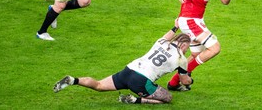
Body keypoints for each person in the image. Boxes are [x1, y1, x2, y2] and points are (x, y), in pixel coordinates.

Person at [53, 29, 193, 104]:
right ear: (185, 45)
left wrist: (175, 27)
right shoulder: (181, 59)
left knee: (99, 85)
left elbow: (167, 35)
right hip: (141, 81)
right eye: (188, 47)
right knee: (167, 98)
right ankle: (135, 100)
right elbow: (184, 81)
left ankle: (73, 80)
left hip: (129, 70)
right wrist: (190, 81)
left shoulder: (161, 42)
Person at [167, 0, 236, 91]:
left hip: (197, 20)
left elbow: (225, 1)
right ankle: (184, 74)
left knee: (197, 56)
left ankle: (173, 83)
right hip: (189, 20)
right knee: (215, 48)